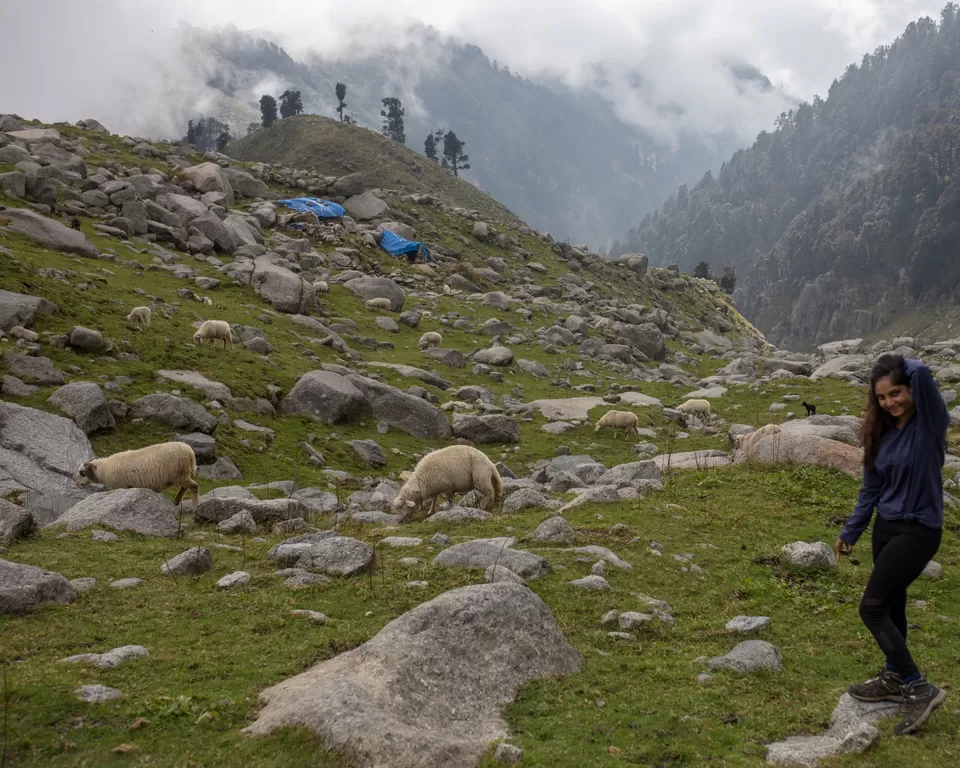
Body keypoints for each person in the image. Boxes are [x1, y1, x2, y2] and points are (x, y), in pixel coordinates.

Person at [835, 353, 949, 735]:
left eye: (896, 393)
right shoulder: (880, 432)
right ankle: (893, 677)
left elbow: (924, 373)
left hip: (918, 531)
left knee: (870, 610)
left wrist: (898, 362)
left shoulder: (930, 423)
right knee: (892, 604)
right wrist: (851, 531)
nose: (890, 402)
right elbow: (871, 488)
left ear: (910, 389)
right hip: (886, 528)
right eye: (881, 397)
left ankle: (917, 685)